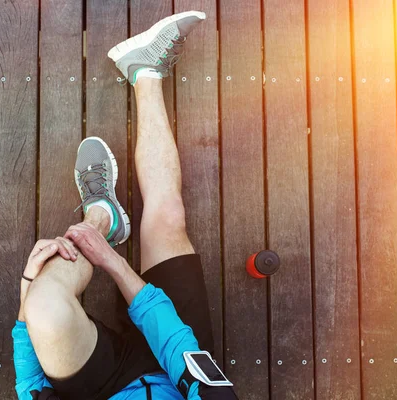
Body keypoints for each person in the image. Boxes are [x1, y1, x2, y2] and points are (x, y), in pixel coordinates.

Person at [13, 11, 239, 400]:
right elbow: (179, 351)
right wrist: (113, 263)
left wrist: (29, 295)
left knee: (45, 308)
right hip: (174, 373)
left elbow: (32, 388)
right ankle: (144, 70)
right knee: (168, 217)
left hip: (102, 387)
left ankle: (100, 217)